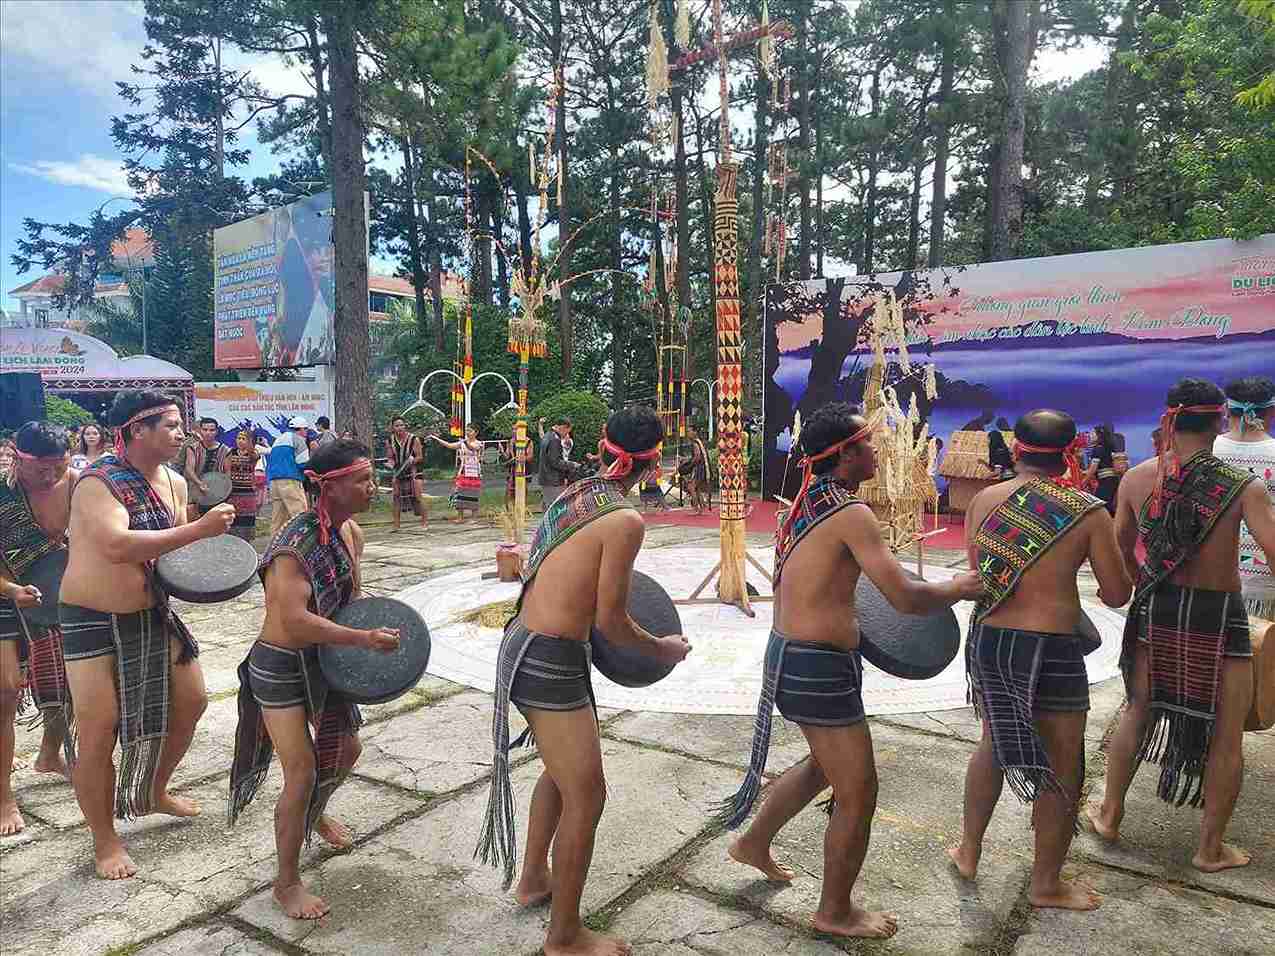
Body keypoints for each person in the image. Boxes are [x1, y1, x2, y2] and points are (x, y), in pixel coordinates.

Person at [717, 402, 983, 940]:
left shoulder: (809, 505)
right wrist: (960, 588)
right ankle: (834, 911)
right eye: (868, 443)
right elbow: (905, 598)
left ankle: (752, 845)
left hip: (796, 658)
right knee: (859, 790)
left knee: (822, 767)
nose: (877, 450)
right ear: (844, 456)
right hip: (816, 666)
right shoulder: (851, 514)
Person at [477, 405, 690, 956]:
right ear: (655, 462)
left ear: (601, 445)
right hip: (548, 658)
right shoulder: (624, 520)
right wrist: (663, 648)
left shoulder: (576, 493)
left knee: (562, 772)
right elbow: (612, 623)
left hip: (523, 643)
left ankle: (533, 880)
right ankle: (565, 936)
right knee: (587, 794)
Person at [1088, 379, 1275, 873]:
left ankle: (1109, 815)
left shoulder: (1135, 480)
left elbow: (1121, 553)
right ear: (1219, 422)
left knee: (1138, 709)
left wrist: (1139, 585)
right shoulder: (1243, 488)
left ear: (1169, 419)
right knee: (1227, 733)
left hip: (1157, 609)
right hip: (1218, 615)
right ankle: (1209, 849)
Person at [949, 410, 1131, 911]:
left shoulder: (985, 499)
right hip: (1053, 643)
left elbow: (980, 571)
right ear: (1070, 452)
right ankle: (1046, 883)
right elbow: (1116, 594)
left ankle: (968, 850)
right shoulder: (1088, 511)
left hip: (993, 637)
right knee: (1063, 760)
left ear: (1018, 449)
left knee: (993, 742)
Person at [59, 390, 234, 879]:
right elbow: (117, 545)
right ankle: (105, 841)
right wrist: (199, 532)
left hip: (151, 613)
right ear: (139, 429)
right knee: (98, 732)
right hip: (89, 617)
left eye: (182, 425)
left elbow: (173, 556)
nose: (183, 433)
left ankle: (154, 789)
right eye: (173, 425)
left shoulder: (176, 483)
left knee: (193, 699)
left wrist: (222, 566)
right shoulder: (98, 481)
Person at [229, 439, 395, 920]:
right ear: (331, 485)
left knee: (347, 752)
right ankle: (286, 883)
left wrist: (364, 641)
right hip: (280, 663)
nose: (373, 487)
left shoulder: (350, 533)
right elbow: (295, 620)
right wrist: (361, 639)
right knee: (299, 771)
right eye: (363, 479)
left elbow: (351, 596)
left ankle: (314, 812)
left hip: (325, 663)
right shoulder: (292, 548)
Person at [0, 423, 78, 835]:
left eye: (58, 467)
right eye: (41, 469)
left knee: (63, 680)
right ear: (16, 454)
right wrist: (11, 588)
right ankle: (3, 795)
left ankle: (50, 754)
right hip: (4, 592)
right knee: (6, 690)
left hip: (51, 591)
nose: (50, 477)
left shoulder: (75, 481)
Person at [1212, 376, 1275, 618]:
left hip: (1210, 579)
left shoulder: (1207, 449)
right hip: (1265, 588)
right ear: (1271, 411)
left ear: (1226, 410)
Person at [267, 417, 312, 537]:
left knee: (278, 519)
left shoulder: (278, 440)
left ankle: (274, 548)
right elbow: (303, 463)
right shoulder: (298, 440)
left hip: (274, 482)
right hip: (290, 480)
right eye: (306, 430)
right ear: (301, 429)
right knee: (299, 515)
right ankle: (304, 544)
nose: (306, 433)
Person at [182, 417, 230, 522]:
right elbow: (189, 469)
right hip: (196, 491)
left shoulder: (225, 450)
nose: (208, 433)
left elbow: (227, 473)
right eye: (205, 430)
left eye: (212, 430)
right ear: (200, 431)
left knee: (216, 523)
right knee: (194, 523)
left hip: (216, 492)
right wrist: (199, 483)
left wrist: (221, 489)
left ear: (216, 432)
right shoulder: (193, 448)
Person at [431, 425, 483, 522]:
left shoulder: (479, 443)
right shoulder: (462, 443)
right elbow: (449, 445)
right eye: (467, 431)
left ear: (476, 433)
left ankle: (474, 517)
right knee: (460, 493)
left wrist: (464, 442)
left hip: (474, 471)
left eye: (470, 431)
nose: (468, 433)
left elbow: (472, 448)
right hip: (463, 470)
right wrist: (436, 438)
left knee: (473, 493)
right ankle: (460, 517)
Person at [386, 417, 426, 532]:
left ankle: (424, 523)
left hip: (414, 470)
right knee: (396, 496)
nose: (400, 428)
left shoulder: (414, 439)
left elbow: (419, 456)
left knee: (418, 496)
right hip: (398, 471)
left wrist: (411, 461)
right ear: (392, 428)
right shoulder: (390, 440)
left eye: (401, 425)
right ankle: (396, 525)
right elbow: (390, 457)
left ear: (405, 426)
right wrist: (391, 464)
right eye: (397, 426)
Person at [227, 429, 263, 542]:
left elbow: (254, 457)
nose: (240, 441)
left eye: (244, 439)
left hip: (248, 493)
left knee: (247, 521)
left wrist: (251, 444)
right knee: (233, 519)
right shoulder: (230, 452)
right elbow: (227, 470)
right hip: (233, 492)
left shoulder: (254, 453)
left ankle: (246, 544)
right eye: (239, 438)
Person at [537, 417, 578, 503]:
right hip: (553, 480)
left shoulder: (548, 435)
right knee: (556, 507)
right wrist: (572, 464)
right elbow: (555, 462)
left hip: (546, 478)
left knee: (548, 505)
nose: (567, 434)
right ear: (563, 427)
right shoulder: (554, 440)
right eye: (567, 431)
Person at [1086, 424, 1121, 515]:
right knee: (1109, 506)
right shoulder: (1108, 448)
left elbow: (1093, 469)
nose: (1090, 435)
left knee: (1100, 507)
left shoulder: (1097, 449)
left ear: (1099, 435)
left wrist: (1083, 482)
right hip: (1112, 480)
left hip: (1106, 481)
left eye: (1093, 433)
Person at [500, 424, 535, 510]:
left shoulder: (528, 441)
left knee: (523, 489)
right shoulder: (511, 441)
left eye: (516, 429)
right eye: (513, 429)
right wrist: (502, 451)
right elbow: (507, 456)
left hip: (524, 469)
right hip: (512, 469)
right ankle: (510, 509)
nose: (514, 431)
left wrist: (521, 459)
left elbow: (530, 456)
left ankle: (522, 508)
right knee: (509, 490)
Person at [681, 424, 710, 514]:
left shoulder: (695, 443)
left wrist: (689, 465)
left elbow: (697, 457)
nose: (688, 433)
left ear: (695, 432)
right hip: (702, 468)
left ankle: (697, 508)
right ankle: (701, 507)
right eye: (687, 431)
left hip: (698, 468)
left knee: (691, 487)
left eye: (689, 431)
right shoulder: (699, 442)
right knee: (697, 488)